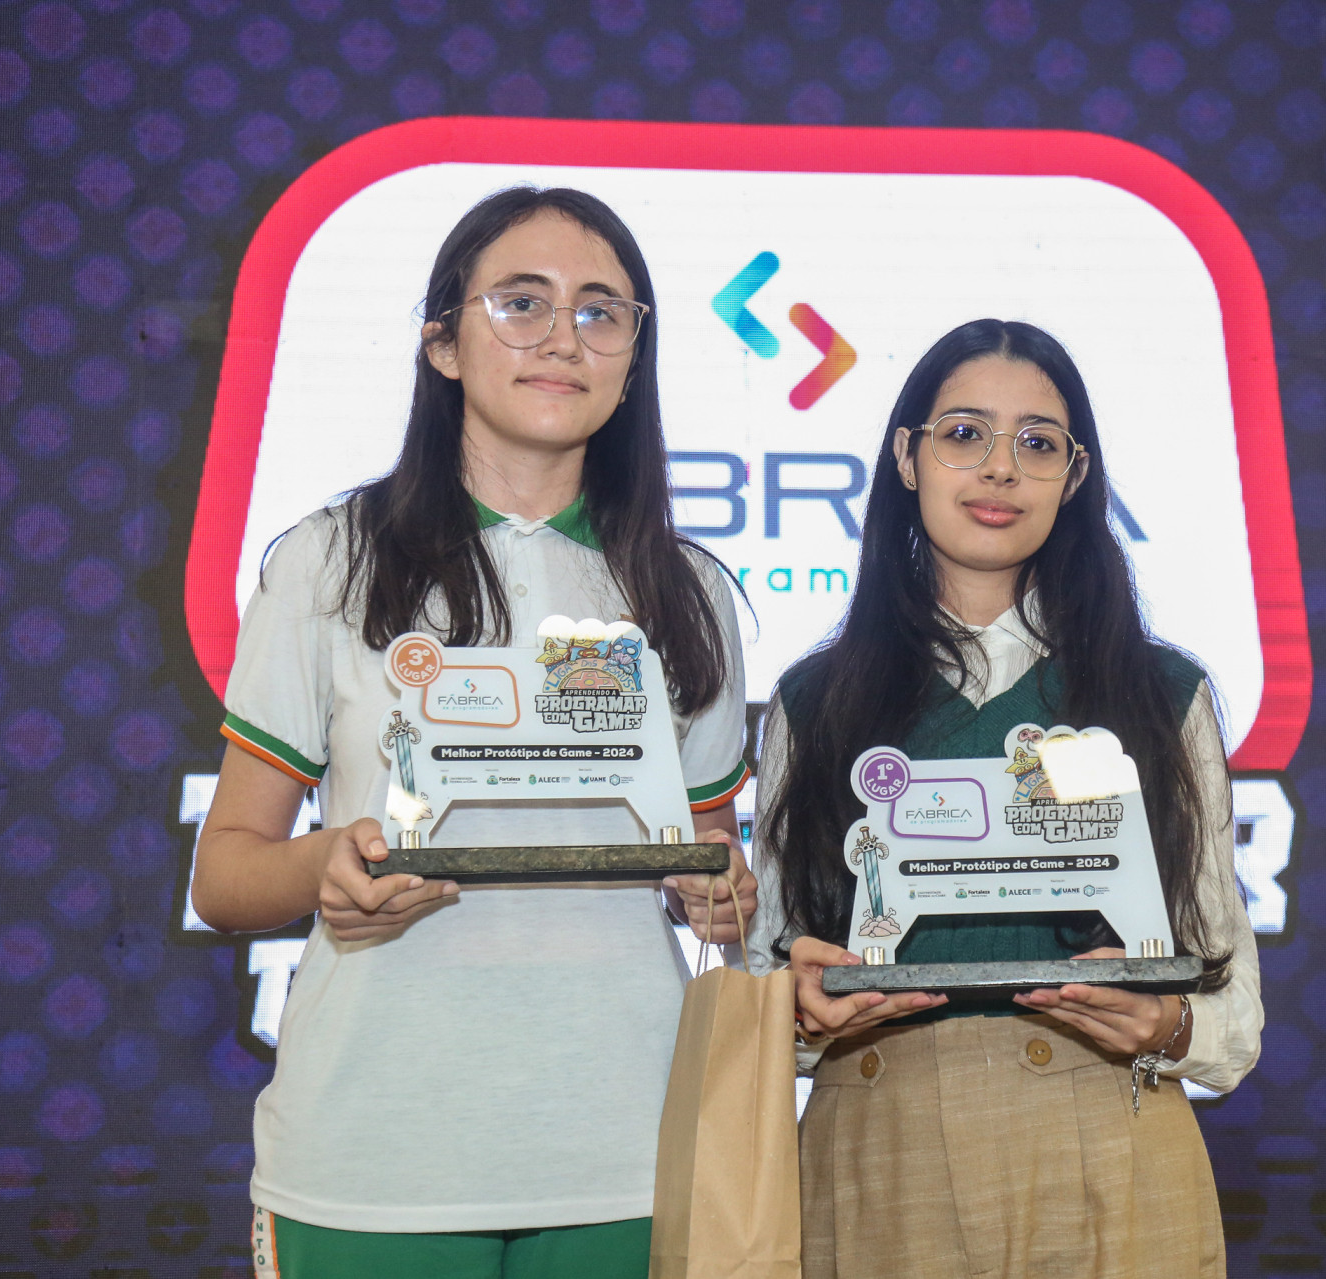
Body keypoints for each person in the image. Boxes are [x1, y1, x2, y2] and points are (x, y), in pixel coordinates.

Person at [192, 187, 754, 1279]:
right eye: (520, 303)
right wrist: (328, 864)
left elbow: (716, 878)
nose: (561, 338)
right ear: (443, 341)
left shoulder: (689, 592)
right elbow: (226, 876)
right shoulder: (330, 561)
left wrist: (729, 892)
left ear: (634, 353)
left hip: (629, 1151)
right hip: (371, 1156)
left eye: (601, 312)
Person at [747, 319, 1261, 1279]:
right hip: (876, 1149)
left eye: (1037, 443)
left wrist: (1170, 1023)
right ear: (907, 455)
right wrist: (797, 1010)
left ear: (1074, 478)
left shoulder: (1161, 693)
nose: (999, 470)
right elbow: (769, 967)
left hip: (1112, 1135)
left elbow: (1229, 1004)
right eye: (964, 433)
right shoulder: (813, 703)